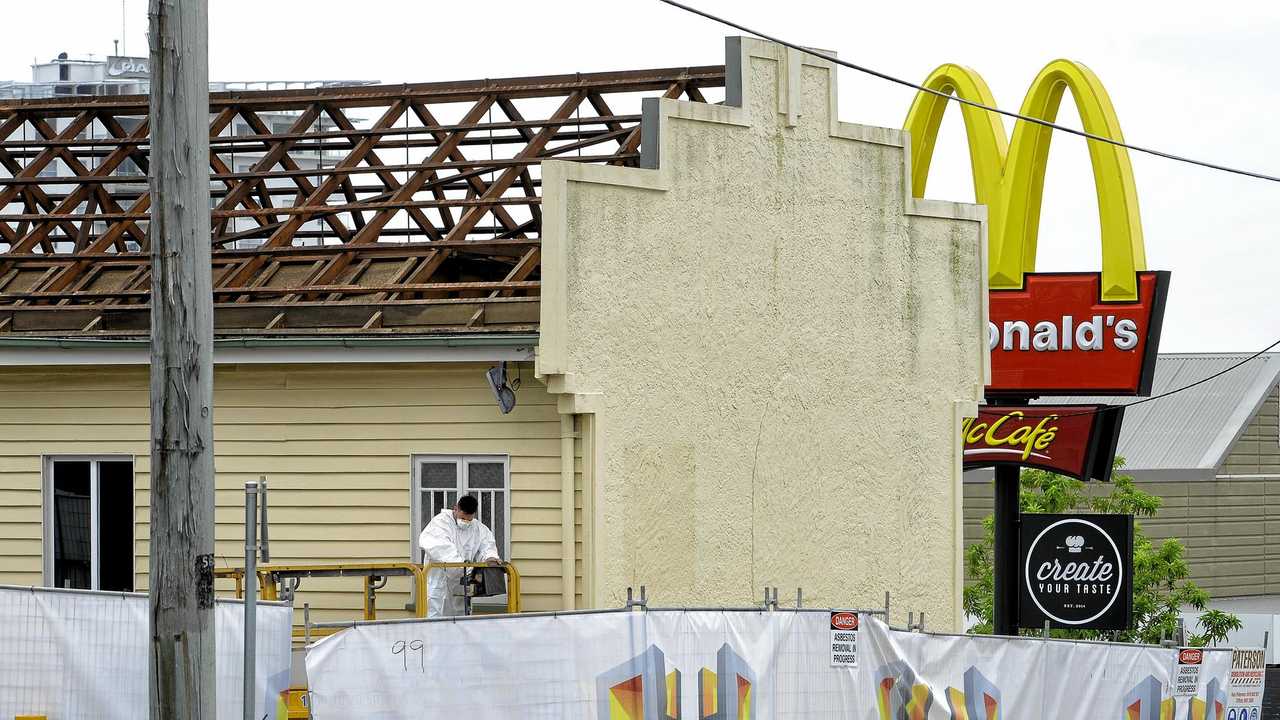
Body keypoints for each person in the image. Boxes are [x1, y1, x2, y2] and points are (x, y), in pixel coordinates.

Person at [418, 494, 501, 617]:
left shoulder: (477, 528)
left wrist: (490, 557)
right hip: (439, 582)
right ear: (455, 508)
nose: (466, 522)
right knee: (435, 617)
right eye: (463, 518)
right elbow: (441, 549)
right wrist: (466, 568)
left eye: (469, 519)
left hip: (461, 584)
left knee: (461, 618)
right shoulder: (440, 523)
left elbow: (486, 545)